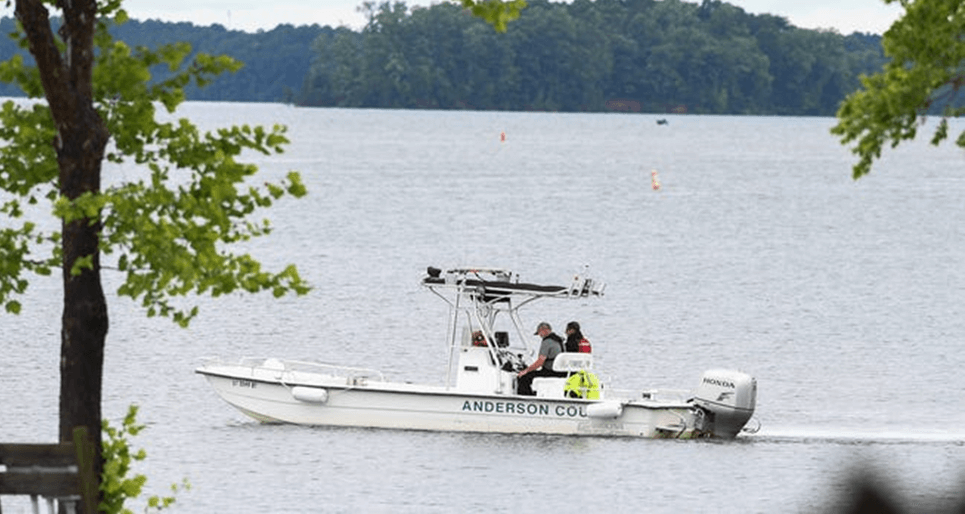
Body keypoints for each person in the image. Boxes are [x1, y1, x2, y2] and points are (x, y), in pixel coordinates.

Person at [516, 321, 566, 396]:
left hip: (550, 371)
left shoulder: (547, 342)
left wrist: (526, 370)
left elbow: (540, 362)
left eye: (539, 333)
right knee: (532, 373)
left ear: (543, 330)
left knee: (524, 378)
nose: (540, 336)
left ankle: (527, 398)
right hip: (561, 372)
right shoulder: (559, 341)